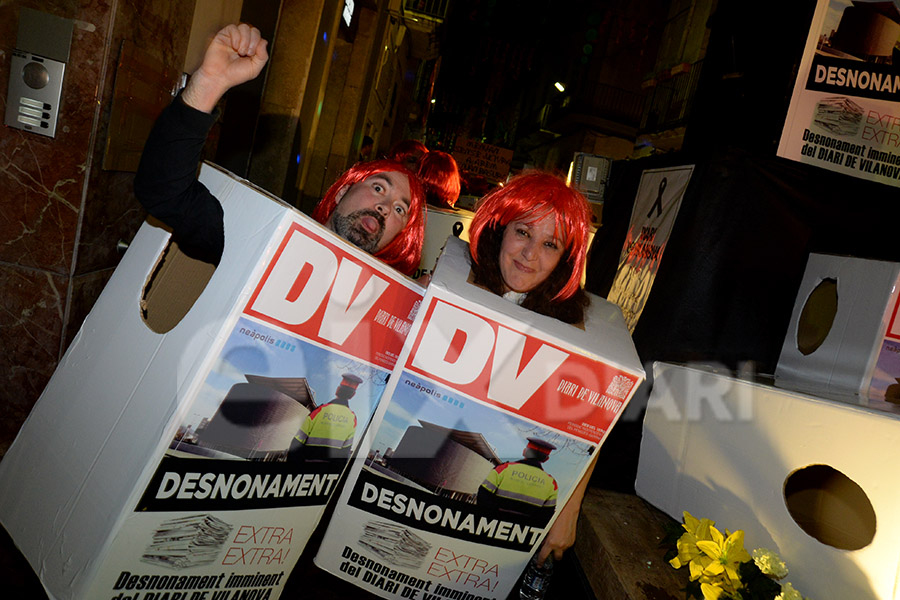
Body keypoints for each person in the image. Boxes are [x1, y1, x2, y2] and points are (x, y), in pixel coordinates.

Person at [134, 24, 426, 276]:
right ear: (341, 192)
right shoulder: (259, 235)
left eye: (400, 209)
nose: (385, 208)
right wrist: (211, 83)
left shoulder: (370, 316)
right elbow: (164, 192)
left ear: (396, 239)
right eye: (378, 188)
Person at [467, 171, 593, 566]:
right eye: (523, 232)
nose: (529, 254)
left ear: (563, 260)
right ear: (499, 229)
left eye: (550, 244)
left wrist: (569, 512)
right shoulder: (454, 283)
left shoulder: (573, 329)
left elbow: (589, 424)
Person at [477, 437, 558, 523]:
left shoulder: (503, 469)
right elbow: (546, 516)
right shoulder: (551, 484)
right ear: (546, 459)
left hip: (491, 524)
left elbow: (483, 497)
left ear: (525, 452)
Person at [288, 373, 361, 462]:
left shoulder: (319, 411)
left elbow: (298, 440)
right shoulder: (352, 419)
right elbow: (344, 453)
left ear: (337, 390)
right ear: (353, 395)